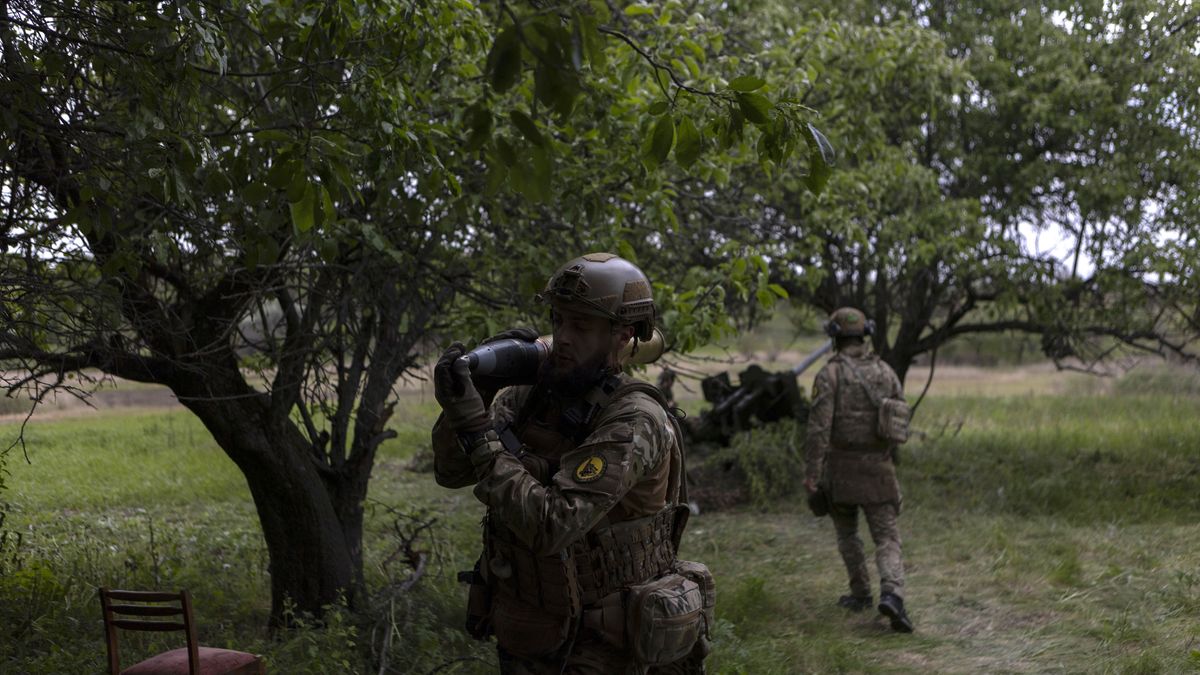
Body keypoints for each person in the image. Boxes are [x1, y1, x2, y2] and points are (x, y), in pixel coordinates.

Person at [432, 252, 711, 674]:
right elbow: (450, 472)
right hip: (530, 629)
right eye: (558, 320)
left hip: (605, 648)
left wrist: (476, 429)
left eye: (580, 325)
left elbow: (553, 525)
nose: (561, 337)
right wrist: (478, 396)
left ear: (622, 335)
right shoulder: (531, 398)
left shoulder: (634, 418)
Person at [803, 307, 913, 633]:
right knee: (887, 538)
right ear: (865, 333)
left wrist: (812, 472)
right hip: (879, 469)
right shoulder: (886, 371)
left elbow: (818, 430)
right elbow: (900, 419)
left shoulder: (829, 374)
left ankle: (860, 592)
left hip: (841, 471)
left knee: (847, 534)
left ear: (834, 335)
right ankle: (893, 593)